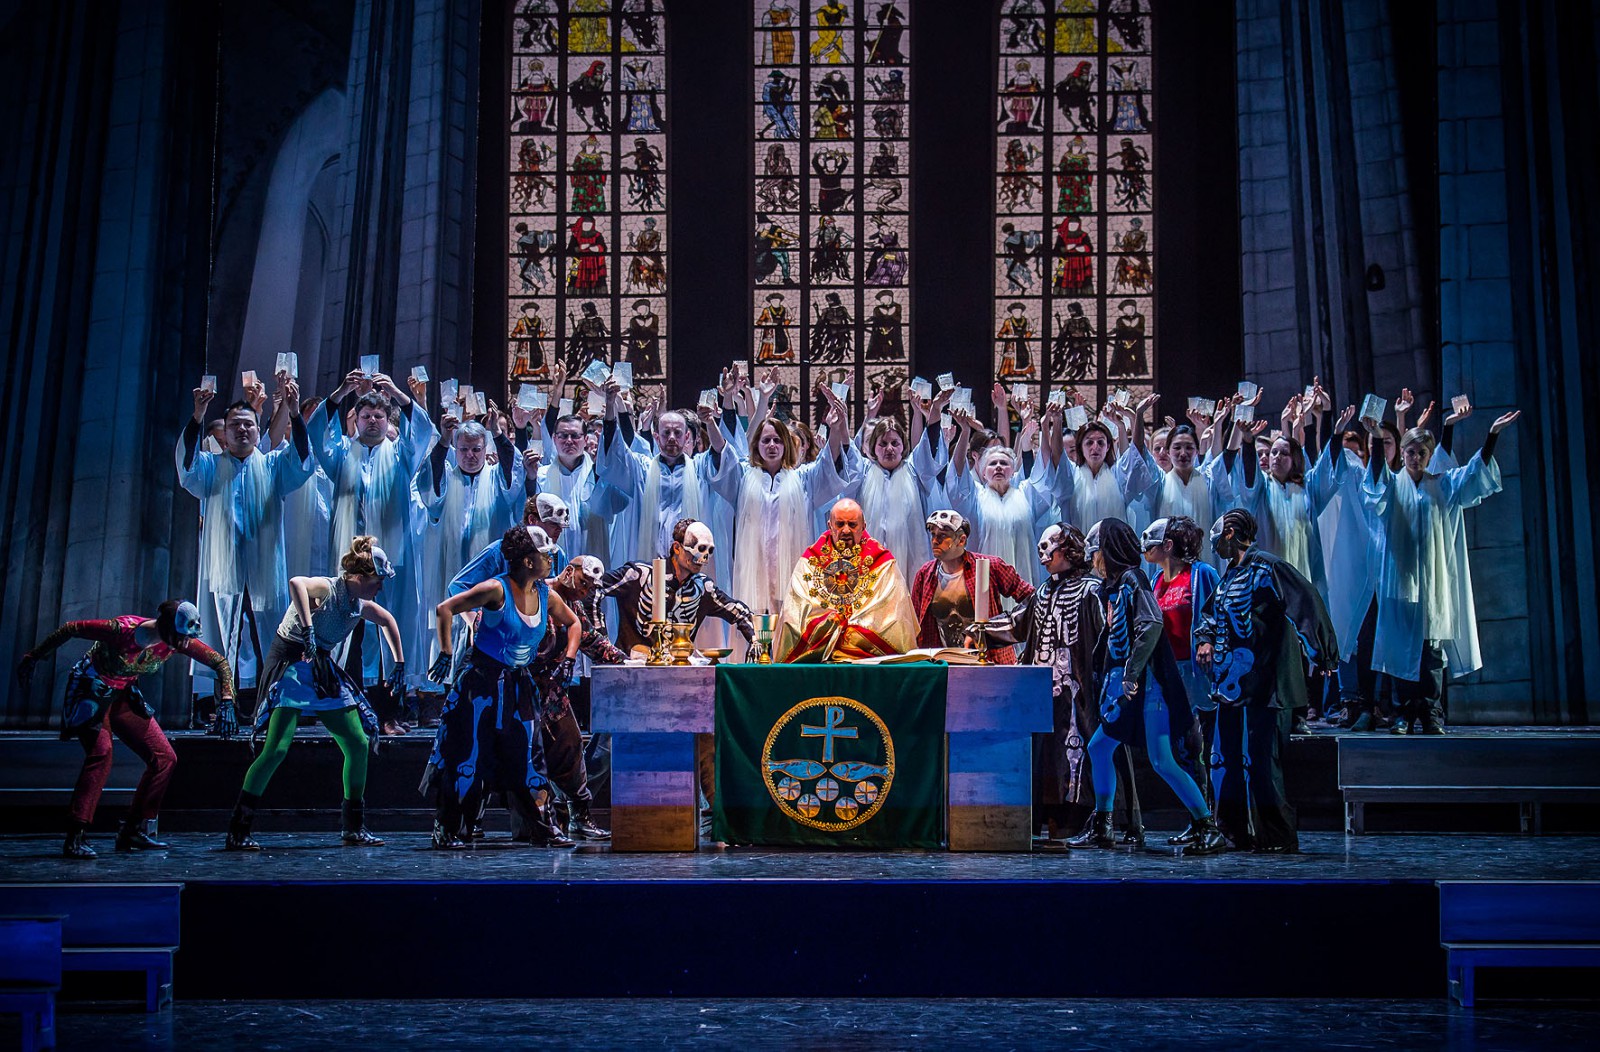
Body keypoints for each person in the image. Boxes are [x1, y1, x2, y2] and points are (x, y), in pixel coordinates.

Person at [224, 537, 404, 851]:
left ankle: (353, 827)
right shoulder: (330, 588)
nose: (380, 588)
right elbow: (297, 583)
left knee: (357, 743)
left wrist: (399, 662)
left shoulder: (358, 604)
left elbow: (387, 621)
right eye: (377, 582)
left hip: (318, 665)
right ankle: (238, 830)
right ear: (359, 578)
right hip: (292, 662)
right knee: (276, 749)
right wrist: (307, 628)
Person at [17, 601, 233, 859]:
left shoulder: (176, 641)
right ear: (165, 627)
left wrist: (227, 700)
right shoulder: (121, 629)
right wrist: (34, 656)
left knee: (164, 758)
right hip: (91, 690)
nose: (184, 642)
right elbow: (71, 628)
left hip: (122, 694)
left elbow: (219, 662)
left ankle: (133, 830)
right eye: (180, 635)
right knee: (102, 753)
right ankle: (76, 834)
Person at [1068, 518, 1225, 854]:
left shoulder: (1134, 579)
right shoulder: (1117, 586)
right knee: (1104, 749)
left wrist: (1130, 672)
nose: (1092, 558)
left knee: (1162, 760)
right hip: (1135, 687)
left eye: (1096, 551)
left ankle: (1207, 826)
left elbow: (1151, 624)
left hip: (1150, 687)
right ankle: (1104, 823)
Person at [1361, 409, 1519, 734]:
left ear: (1429, 456)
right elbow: (1374, 481)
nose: (1416, 458)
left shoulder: (1441, 486)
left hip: (1433, 584)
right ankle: (1405, 713)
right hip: (1401, 582)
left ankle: (1431, 712)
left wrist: (1491, 435)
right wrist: (1377, 438)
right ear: (1402, 454)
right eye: (1410, 452)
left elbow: (1474, 473)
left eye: (1422, 453)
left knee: (1431, 652)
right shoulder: (1393, 487)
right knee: (1403, 649)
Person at [426, 525, 580, 849]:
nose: (550, 560)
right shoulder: (496, 590)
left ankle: (544, 828)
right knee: (469, 755)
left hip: (518, 684)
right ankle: (449, 828)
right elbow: (445, 608)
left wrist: (568, 657)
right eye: (544, 555)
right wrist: (445, 651)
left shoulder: (545, 594)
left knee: (529, 755)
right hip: (481, 683)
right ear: (527, 561)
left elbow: (574, 622)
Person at [1195, 510, 1338, 852]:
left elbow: (1305, 602)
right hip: (1231, 685)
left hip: (1266, 682)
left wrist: (1322, 650)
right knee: (1228, 760)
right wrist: (1206, 638)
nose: (1216, 547)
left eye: (1218, 539)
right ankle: (1235, 831)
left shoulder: (1269, 568)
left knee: (1262, 762)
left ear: (1230, 532)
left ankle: (1277, 835)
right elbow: (1211, 614)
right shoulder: (1230, 576)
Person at [974, 524, 1129, 839]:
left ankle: (1084, 815)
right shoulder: (1043, 591)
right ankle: (1049, 815)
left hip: (1079, 689)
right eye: (1041, 548)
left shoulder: (1091, 590)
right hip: (1042, 689)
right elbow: (1019, 622)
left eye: (1049, 547)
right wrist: (979, 631)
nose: (1043, 554)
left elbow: (1110, 636)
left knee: (1077, 747)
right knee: (1046, 754)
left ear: (1068, 549)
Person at [177, 377, 313, 723]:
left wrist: (295, 415)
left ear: (257, 430)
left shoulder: (271, 466)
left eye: (248, 425)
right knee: (224, 635)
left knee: (267, 635)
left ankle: (268, 704)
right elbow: (186, 468)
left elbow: (301, 461)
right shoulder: (211, 467)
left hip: (265, 571)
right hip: (225, 572)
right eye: (235, 425)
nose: (241, 430)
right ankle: (222, 703)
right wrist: (197, 417)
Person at [309, 369, 437, 703]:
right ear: (357, 419)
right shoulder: (340, 455)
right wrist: (339, 394)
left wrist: (397, 392)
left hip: (390, 558)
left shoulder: (399, 455)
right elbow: (315, 435)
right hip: (350, 561)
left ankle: (388, 707)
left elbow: (423, 433)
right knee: (348, 626)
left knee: (387, 628)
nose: (372, 421)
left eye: (379, 415)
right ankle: (344, 703)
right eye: (366, 415)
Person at [713, 384, 856, 621]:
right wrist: (711, 423)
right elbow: (722, 456)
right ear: (757, 445)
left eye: (777, 441)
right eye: (766, 440)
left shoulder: (803, 478)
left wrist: (836, 428)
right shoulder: (744, 476)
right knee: (754, 625)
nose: (771, 446)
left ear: (786, 445)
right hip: (754, 572)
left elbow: (829, 465)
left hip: (790, 569)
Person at [598, 379, 734, 566]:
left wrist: (709, 422)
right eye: (666, 433)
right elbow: (615, 453)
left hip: (690, 562)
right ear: (657, 437)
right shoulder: (641, 469)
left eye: (677, 433)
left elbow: (721, 456)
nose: (671, 438)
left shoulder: (699, 468)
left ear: (687, 437)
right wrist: (611, 406)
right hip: (651, 559)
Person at [776, 498, 918, 662]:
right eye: (840, 524)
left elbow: (895, 616)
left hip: (867, 658)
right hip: (819, 657)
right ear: (829, 526)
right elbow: (794, 614)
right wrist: (829, 622)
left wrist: (851, 628)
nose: (845, 530)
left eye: (852, 525)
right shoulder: (812, 561)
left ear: (863, 526)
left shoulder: (881, 561)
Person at [1142, 517, 1221, 806]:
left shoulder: (1201, 574)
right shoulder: (1155, 581)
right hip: (1169, 675)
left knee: (1205, 747)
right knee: (1182, 749)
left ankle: (1214, 817)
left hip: (1199, 673)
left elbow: (1218, 612)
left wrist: (1207, 640)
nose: (1145, 547)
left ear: (1168, 544)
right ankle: (1198, 818)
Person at [596, 519, 755, 655]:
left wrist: (755, 641)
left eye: (709, 550)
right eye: (699, 549)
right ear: (677, 548)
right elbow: (594, 586)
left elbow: (739, 611)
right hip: (630, 668)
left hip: (679, 672)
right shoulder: (639, 575)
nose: (704, 557)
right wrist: (601, 640)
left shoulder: (702, 587)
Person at [910, 510, 1034, 661]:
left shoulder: (990, 567)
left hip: (989, 662)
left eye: (943, 536)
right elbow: (915, 624)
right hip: (943, 664)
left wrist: (1005, 628)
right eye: (933, 535)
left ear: (961, 540)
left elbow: (1033, 600)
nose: (935, 541)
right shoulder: (925, 575)